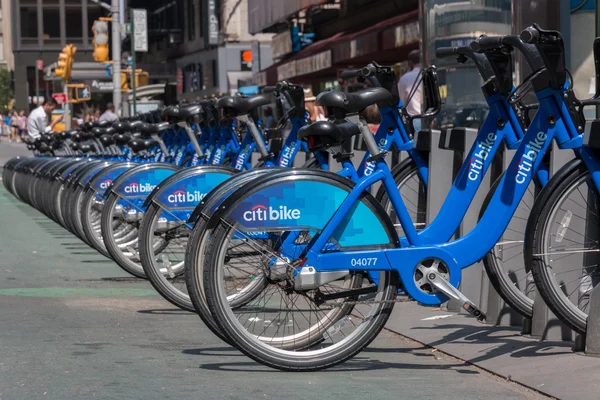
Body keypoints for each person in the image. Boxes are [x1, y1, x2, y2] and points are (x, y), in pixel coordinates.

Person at [397, 49, 422, 132]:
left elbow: (400, 101)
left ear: (410, 62)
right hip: (430, 117)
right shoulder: (428, 74)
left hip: (413, 119)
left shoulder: (405, 78)